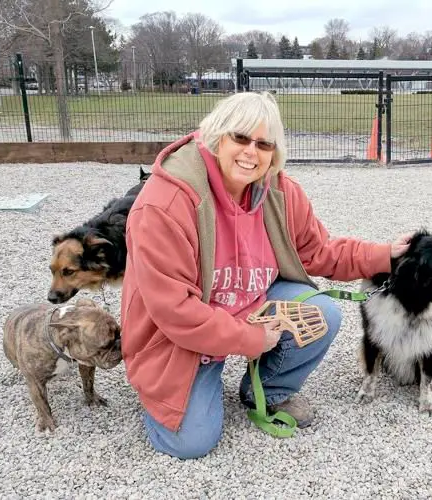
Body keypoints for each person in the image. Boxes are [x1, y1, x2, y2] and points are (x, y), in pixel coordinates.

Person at [120, 91, 412, 460]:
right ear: (216, 137)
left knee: (324, 313)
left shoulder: (278, 191)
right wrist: (252, 339)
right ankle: (165, 390)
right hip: (182, 336)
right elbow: (175, 311)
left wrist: (384, 255)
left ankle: (266, 389)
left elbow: (318, 251)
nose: (250, 152)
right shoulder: (164, 204)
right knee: (191, 443)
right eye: (240, 138)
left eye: (264, 144)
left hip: (247, 306)